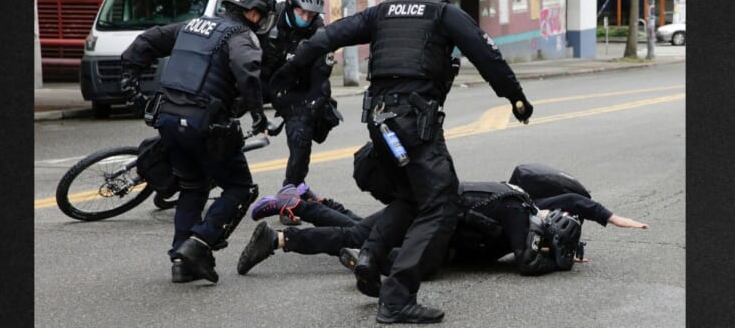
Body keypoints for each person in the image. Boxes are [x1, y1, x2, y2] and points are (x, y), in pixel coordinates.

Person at [270, 0, 533, 323]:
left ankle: (371, 258)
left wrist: (286, 72)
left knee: (411, 198)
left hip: (380, 124)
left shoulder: (380, 13)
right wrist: (516, 98)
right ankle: (396, 297)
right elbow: (487, 55)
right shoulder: (444, 13)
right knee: (442, 203)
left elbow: (326, 37)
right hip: (413, 124)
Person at [236, 160, 648, 279]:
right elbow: (527, 258)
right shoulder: (517, 208)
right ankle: (278, 239)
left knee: (362, 230)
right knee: (361, 234)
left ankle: (303, 203)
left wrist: (600, 224)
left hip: (431, 214)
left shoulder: (525, 208)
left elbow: (571, 204)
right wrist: (557, 256)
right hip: (426, 206)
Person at [119, 0, 275, 284]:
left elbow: (143, 43)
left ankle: (182, 262)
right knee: (240, 188)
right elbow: (247, 70)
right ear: (253, 13)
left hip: (166, 119)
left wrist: (132, 87)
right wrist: (258, 115)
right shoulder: (240, 35)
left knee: (193, 187)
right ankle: (199, 244)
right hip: (205, 124)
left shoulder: (190, 26)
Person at [259, 0, 357, 226]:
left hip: (298, 92)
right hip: (264, 84)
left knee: (301, 141)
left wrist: (309, 108)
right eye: (301, 12)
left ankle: (289, 197)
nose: (306, 17)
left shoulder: (318, 32)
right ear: (291, 7)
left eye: (311, 14)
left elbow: (320, 78)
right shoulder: (271, 21)